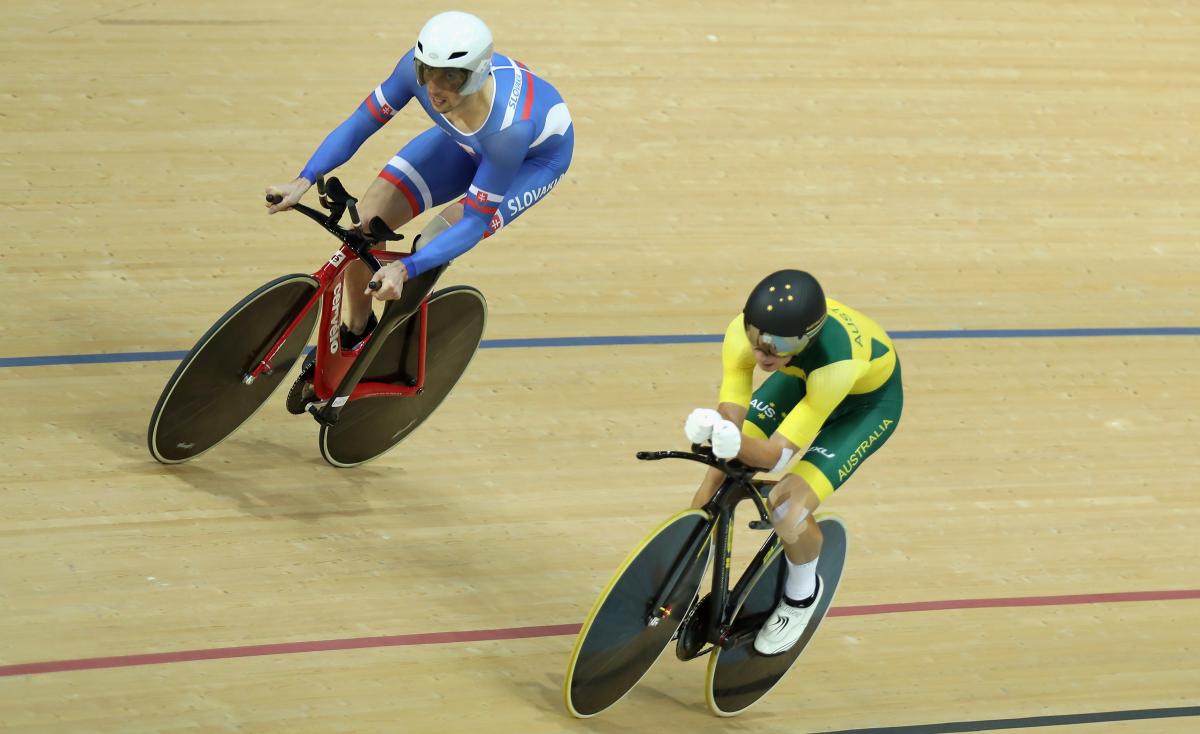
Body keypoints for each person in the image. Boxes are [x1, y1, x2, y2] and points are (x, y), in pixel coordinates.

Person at [265, 11, 573, 348]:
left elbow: (473, 222)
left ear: (476, 74)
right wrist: (304, 179)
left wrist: (405, 269)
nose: (435, 88)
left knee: (432, 245)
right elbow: (359, 124)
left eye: (451, 77)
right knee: (365, 222)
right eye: (427, 71)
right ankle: (358, 329)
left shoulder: (509, 132)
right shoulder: (414, 73)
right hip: (466, 140)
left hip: (529, 162)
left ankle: (394, 342)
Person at [684, 270, 903, 655]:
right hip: (802, 376)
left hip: (863, 406)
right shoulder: (744, 334)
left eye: (778, 344)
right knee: (715, 476)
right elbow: (734, 404)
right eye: (757, 339)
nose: (763, 353)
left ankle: (802, 596)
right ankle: (681, 574)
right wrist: (722, 434)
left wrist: (736, 442)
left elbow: (776, 457)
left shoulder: (836, 362)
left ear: (808, 336)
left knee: (787, 507)